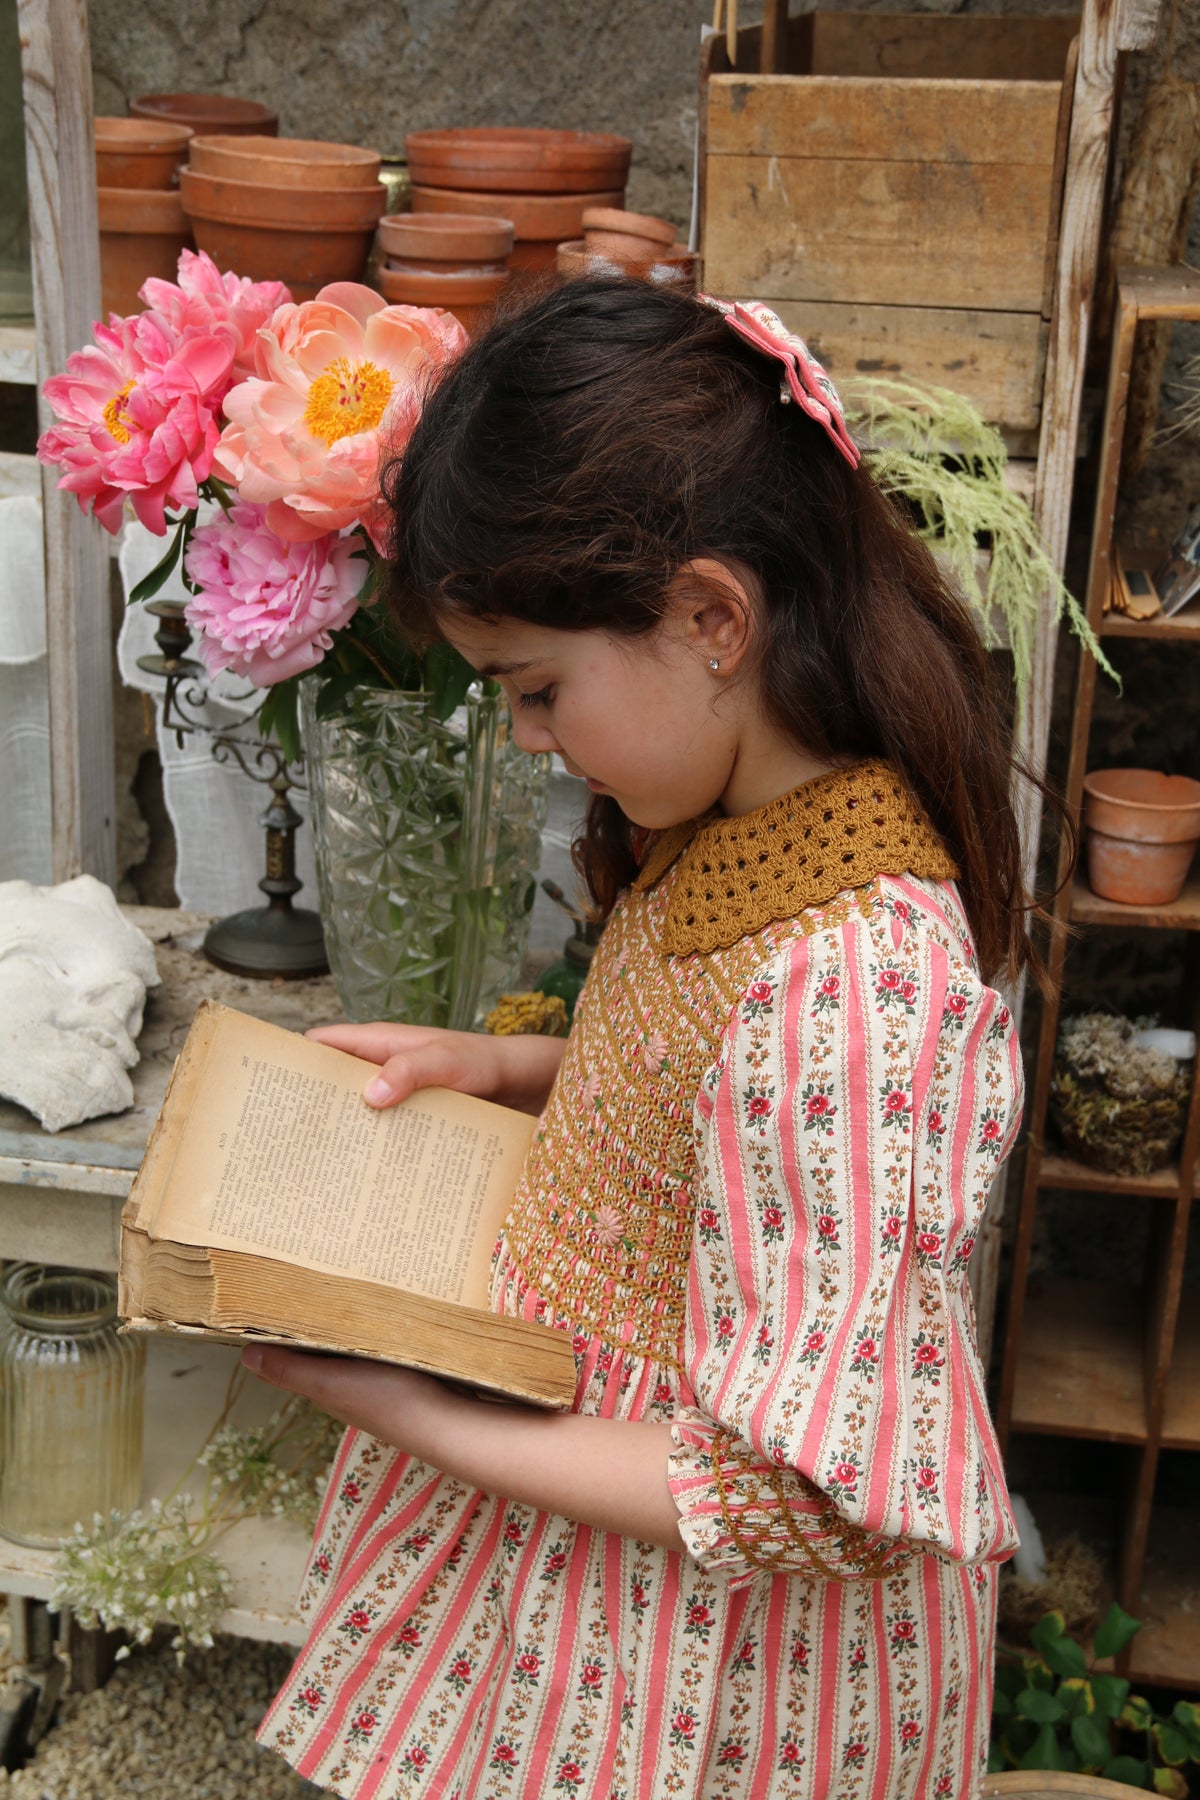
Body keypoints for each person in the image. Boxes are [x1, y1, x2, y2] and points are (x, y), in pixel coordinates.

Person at [246, 278, 1033, 1800]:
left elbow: (800, 1487)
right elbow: (710, 1104)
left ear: (712, 614)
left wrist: (413, 1409)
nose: (533, 741)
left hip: (706, 1654)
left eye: (539, 690)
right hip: (590, 1535)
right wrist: (510, 1068)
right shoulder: (744, 820)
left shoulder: (855, 988)